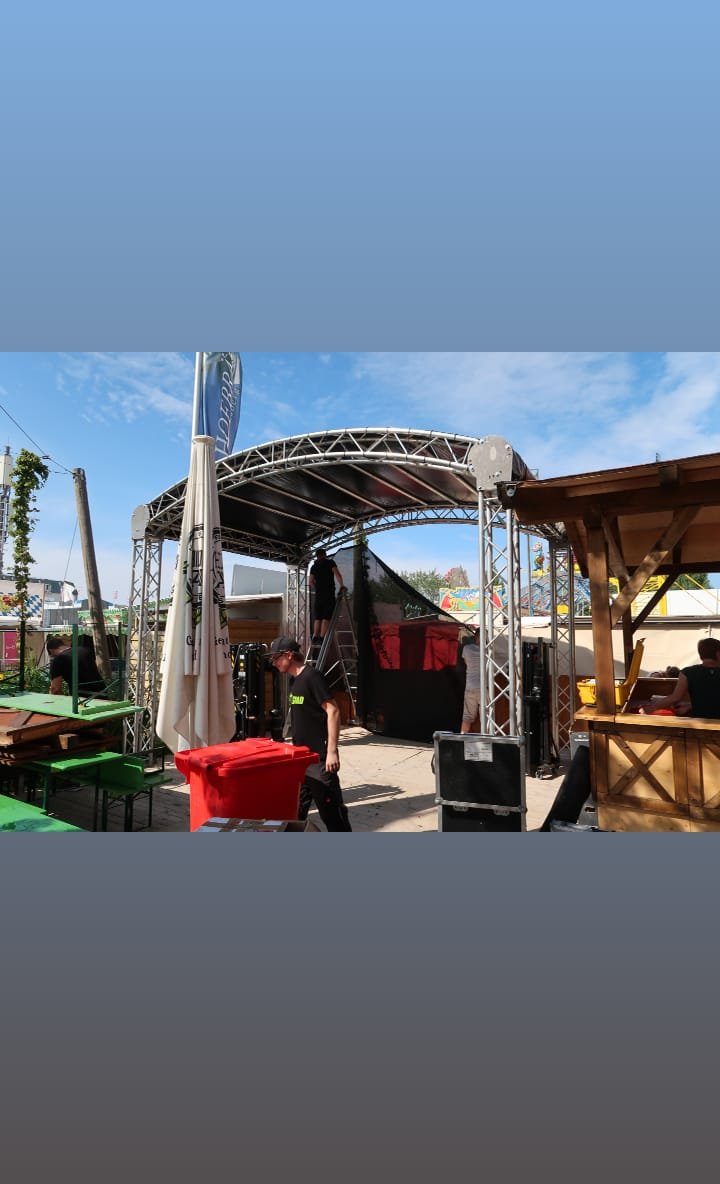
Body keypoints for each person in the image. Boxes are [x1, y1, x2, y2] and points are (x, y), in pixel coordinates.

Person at [268, 635, 352, 831]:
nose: (273, 662)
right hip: (301, 759)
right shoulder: (293, 681)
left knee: (332, 815)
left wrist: (331, 751)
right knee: (295, 813)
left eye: (276, 657)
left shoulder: (312, 677)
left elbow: (333, 711)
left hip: (318, 760)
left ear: (289, 655)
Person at [645, 638, 720, 719]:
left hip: (698, 720)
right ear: (718, 653)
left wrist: (652, 707)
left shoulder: (687, 672)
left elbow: (675, 697)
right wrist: (691, 705)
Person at [309, 547, 344, 644]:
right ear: (325, 554)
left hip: (319, 595)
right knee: (326, 617)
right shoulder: (330, 563)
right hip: (328, 594)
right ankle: (321, 638)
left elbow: (310, 581)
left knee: (318, 618)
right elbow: (337, 574)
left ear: (316, 556)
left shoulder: (314, 566)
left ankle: (315, 636)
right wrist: (342, 585)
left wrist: (317, 588)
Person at [459, 629, 481, 733]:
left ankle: (463, 739)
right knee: (487, 717)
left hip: (470, 686)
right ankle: (486, 741)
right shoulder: (488, 651)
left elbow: (465, 662)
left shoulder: (466, 649)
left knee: (467, 717)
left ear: (475, 636)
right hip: (483, 687)